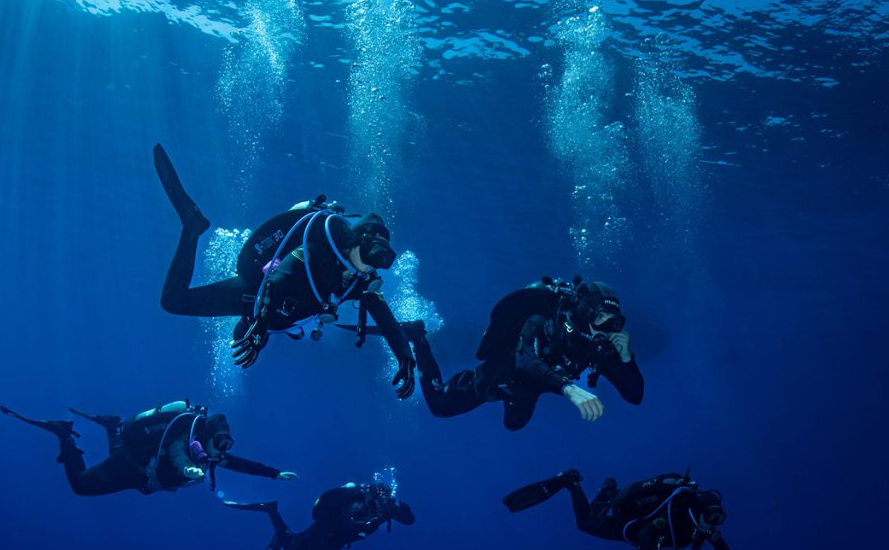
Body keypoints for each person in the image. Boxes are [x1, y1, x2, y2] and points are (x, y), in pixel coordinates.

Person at [153, 144, 415, 398]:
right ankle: (192, 228)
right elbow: (278, 280)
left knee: (253, 337)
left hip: (278, 313)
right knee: (173, 301)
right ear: (355, 242)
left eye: (373, 266)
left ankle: (257, 324)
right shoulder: (317, 250)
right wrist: (260, 324)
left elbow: (387, 321)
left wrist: (405, 358)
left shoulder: (361, 279)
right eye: (366, 259)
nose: (366, 270)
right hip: (255, 293)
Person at [369, 276, 643, 430]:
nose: (608, 329)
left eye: (614, 323)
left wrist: (626, 358)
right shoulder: (542, 321)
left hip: (528, 388)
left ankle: (513, 396)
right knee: (440, 407)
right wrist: (569, 389)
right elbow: (525, 360)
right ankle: (418, 337)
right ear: (584, 313)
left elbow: (634, 396)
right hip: (498, 375)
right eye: (602, 319)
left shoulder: (598, 346)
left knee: (514, 425)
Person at [0, 400, 297, 496]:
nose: (221, 452)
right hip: (133, 467)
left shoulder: (209, 449)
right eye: (219, 444)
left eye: (225, 445)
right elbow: (179, 456)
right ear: (206, 436)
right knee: (81, 486)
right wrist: (190, 470)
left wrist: (275, 473)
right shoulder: (188, 442)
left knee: (117, 455)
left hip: (141, 471)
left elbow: (241, 464)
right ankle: (65, 436)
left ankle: (112, 426)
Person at [503, 469, 740, 550]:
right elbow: (647, 533)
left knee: (598, 514)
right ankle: (571, 483)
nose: (713, 523)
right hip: (628, 525)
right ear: (699, 511)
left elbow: (719, 542)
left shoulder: (701, 526)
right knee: (584, 524)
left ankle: (609, 492)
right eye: (712, 516)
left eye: (719, 518)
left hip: (635, 522)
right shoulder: (677, 515)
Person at [223, 482, 415, 550]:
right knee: (291, 549)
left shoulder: (382, 510)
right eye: (377, 502)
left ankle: (281, 532)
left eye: (382, 503)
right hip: (326, 533)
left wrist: (402, 512)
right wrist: (377, 519)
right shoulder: (359, 505)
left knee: (298, 545)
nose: (378, 506)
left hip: (330, 543)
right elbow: (350, 527)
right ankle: (271, 510)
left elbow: (409, 520)